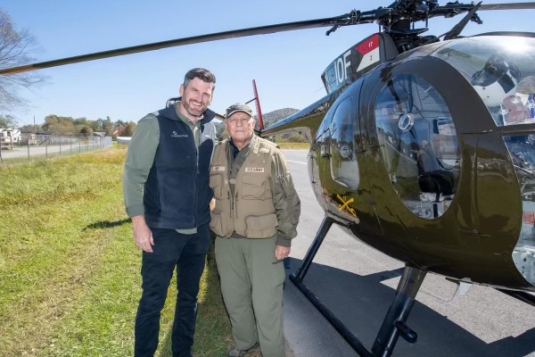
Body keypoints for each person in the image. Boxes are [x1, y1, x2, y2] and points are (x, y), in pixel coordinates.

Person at [122, 68, 217, 357]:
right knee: (153, 300)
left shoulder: (211, 127)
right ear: (182, 89)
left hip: (198, 232)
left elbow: (208, 174)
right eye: (195, 91)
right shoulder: (155, 123)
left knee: (189, 298)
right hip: (162, 230)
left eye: (206, 94)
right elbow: (133, 175)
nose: (199, 98)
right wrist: (139, 223)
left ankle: (182, 352)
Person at [210, 103, 301, 357]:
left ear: (253, 123)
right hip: (226, 240)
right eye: (233, 119)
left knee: (266, 302)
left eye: (244, 119)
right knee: (234, 297)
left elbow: (288, 199)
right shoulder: (214, 153)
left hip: (263, 240)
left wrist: (285, 238)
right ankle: (244, 343)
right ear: (226, 125)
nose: (239, 123)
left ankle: (272, 352)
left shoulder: (270, 153)